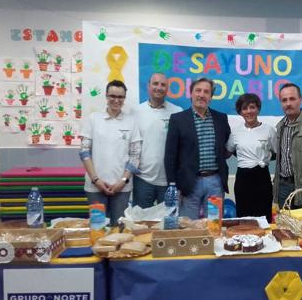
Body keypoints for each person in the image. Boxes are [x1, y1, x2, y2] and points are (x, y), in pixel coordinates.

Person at [164, 77, 231, 219]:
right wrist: (173, 184)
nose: (201, 94)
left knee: (214, 226)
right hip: (189, 183)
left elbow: (229, 145)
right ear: (191, 94)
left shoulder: (221, 118)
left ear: (211, 97)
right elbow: (170, 155)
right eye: (198, 90)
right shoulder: (178, 119)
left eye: (206, 92)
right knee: (188, 226)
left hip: (215, 182)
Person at [79, 80, 141, 225]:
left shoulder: (131, 122)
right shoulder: (94, 119)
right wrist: (96, 180)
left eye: (120, 97)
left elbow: (135, 155)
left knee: (118, 228)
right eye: (112, 96)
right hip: (94, 187)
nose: (116, 100)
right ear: (106, 96)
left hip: (122, 188)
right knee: (97, 228)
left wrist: (123, 181)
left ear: (124, 99)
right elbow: (84, 151)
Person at [133, 73, 182, 208]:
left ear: (167, 88)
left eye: (163, 85)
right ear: (148, 86)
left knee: (168, 224)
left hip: (169, 181)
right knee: (140, 223)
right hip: (142, 179)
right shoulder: (136, 112)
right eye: (155, 84)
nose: (159, 88)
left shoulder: (177, 112)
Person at [226, 93, 276, 221]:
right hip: (243, 178)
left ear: (258, 109)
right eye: (244, 108)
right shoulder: (236, 132)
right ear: (240, 112)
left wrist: (264, 157)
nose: (249, 111)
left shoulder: (269, 130)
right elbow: (228, 152)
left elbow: (277, 153)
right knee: (244, 218)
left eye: (252, 107)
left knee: (264, 217)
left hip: (262, 177)